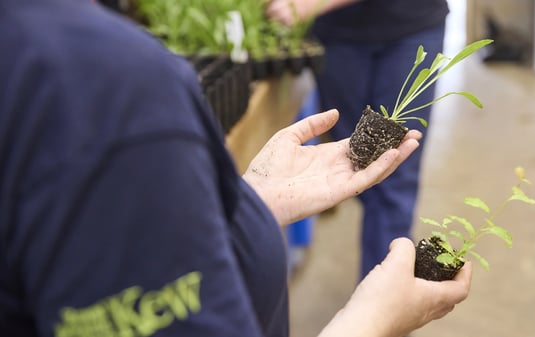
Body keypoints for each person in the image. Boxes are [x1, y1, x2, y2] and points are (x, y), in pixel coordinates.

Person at [0, 1, 471, 336]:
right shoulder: (103, 88)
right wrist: (373, 320)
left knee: (393, 185)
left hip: (404, 24)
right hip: (346, 34)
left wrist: (251, 202)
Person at [267, 0, 450, 278]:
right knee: (358, 163)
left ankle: (384, 300)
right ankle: (387, 269)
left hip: (411, 25)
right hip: (339, 33)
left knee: (394, 170)